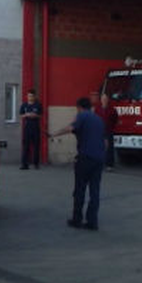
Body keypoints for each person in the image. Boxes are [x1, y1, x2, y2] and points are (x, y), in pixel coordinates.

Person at [50, 97, 106, 231]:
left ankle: (77, 219)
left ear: (79, 107)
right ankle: (92, 222)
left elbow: (70, 128)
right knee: (95, 191)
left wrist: (53, 134)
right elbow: (105, 142)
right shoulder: (98, 119)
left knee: (80, 189)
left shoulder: (82, 116)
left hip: (85, 158)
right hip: (99, 159)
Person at [93, 91, 119, 169]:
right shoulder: (97, 109)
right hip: (99, 131)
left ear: (108, 99)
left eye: (105, 98)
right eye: (102, 98)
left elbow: (115, 119)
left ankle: (109, 164)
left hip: (108, 130)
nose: (104, 100)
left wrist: (111, 127)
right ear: (100, 99)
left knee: (109, 148)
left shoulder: (112, 109)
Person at [19, 89, 43, 170]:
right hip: (27, 128)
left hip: (35, 127)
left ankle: (36, 164)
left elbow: (40, 116)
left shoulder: (38, 105)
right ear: (27, 96)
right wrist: (26, 115)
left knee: (36, 146)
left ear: (35, 96)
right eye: (29, 96)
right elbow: (21, 115)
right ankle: (24, 164)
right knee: (26, 146)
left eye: (32, 96)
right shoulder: (24, 105)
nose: (30, 97)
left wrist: (35, 115)